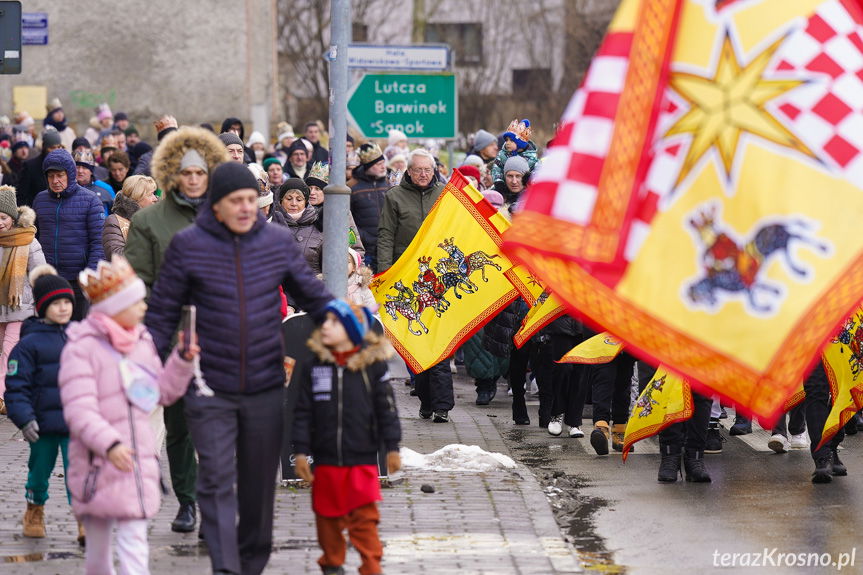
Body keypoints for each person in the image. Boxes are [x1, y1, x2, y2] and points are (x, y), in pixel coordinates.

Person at [146, 161, 335, 575]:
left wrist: (345, 326)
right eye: (237, 201)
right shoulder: (189, 245)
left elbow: (313, 295)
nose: (248, 207)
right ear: (217, 205)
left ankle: (251, 563)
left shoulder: (277, 242)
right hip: (207, 383)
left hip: (265, 384)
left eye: (252, 199)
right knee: (214, 479)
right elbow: (161, 314)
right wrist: (143, 367)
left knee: (257, 487)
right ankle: (225, 568)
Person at [59, 256, 198, 574]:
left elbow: (159, 393)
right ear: (114, 307)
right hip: (99, 464)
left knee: (135, 546)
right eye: (136, 302)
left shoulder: (141, 341)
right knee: (99, 557)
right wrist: (110, 444)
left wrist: (182, 360)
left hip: (135, 467)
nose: (143, 308)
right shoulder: (81, 347)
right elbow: (79, 409)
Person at [125, 126, 227, 535]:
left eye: (200, 172)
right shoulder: (149, 220)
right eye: (185, 172)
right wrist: (157, 327)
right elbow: (138, 281)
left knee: (218, 425)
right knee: (181, 424)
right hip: (172, 336)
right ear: (172, 175)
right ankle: (187, 503)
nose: (193, 179)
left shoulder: (224, 215)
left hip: (220, 335)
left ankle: (213, 503)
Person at [292, 300, 401, 575]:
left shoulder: (372, 366)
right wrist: (301, 451)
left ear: (351, 330)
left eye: (334, 322)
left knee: (364, 518)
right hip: (326, 459)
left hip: (361, 459)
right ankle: (332, 563)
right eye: (324, 321)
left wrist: (392, 447)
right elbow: (302, 411)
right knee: (326, 517)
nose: (325, 326)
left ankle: (371, 565)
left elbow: (386, 408)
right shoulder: (313, 365)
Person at [377, 149, 453, 422]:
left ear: (434, 171)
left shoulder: (445, 194)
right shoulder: (394, 197)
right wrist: (386, 276)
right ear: (408, 171)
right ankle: (426, 398)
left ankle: (443, 404)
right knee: (417, 341)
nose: (423, 174)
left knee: (441, 341)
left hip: (439, 279)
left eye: (428, 170)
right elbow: (386, 235)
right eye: (418, 170)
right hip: (408, 280)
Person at [5, 265, 77, 541]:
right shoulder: (28, 345)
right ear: (42, 306)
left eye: (67, 302)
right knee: (39, 472)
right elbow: (16, 386)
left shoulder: (81, 337)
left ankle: (85, 518)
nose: (63, 308)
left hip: (77, 423)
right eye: (56, 303)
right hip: (42, 424)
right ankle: (34, 509)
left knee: (80, 475)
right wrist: (24, 418)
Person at [33, 149, 105, 321]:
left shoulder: (90, 200)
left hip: (77, 280)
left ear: (70, 174)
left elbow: (99, 242)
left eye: (60, 175)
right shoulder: (40, 200)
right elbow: (34, 238)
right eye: (51, 176)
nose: (55, 181)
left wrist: (89, 274)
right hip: (49, 278)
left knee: (76, 330)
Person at [0, 188, 46, 414]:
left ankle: (2, 396)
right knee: (4, 352)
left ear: (13, 217)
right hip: (0, 307)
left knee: (9, 350)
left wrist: (43, 302)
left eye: (3, 217)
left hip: (21, 306)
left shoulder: (27, 240)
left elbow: (40, 274)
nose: (0, 222)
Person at [350, 143, 390, 273]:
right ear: (368, 166)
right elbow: (348, 220)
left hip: (387, 248)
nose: (383, 166)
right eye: (379, 164)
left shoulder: (390, 183)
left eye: (383, 162)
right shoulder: (352, 187)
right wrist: (363, 236)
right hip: (365, 249)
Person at [103, 175, 159, 260]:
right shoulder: (115, 221)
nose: (155, 198)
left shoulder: (156, 218)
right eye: (150, 194)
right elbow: (116, 256)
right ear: (138, 197)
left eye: (154, 193)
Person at [278, 178, 323, 275]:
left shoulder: (319, 226)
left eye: (299, 199)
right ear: (281, 200)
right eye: (289, 199)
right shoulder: (271, 223)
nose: (293, 203)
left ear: (306, 202)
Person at [17, 129, 64, 207]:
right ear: (44, 147)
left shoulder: (64, 165)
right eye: (52, 147)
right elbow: (21, 196)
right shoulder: (30, 166)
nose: (56, 150)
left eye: (59, 147)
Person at [491, 119, 539, 186]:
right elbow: (497, 169)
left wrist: (529, 179)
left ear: (520, 143)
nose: (507, 143)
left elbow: (537, 171)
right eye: (506, 140)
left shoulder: (531, 157)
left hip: (524, 187)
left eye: (511, 141)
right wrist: (499, 182)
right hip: (506, 186)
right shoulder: (503, 154)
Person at [73, 148, 115, 216]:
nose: (80, 171)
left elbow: (115, 213)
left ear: (91, 171)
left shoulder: (106, 188)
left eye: (84, 167)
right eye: (77, 167)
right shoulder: (67, 188)